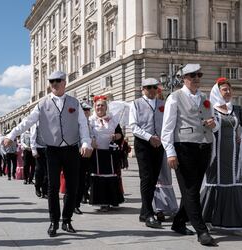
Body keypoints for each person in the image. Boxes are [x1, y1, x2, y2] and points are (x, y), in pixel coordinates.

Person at [4, 70, 92, 237]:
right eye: (51, 81)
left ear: (64, 82)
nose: (54, 84)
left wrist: (86, 142)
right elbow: (27, 122)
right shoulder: (42, 104)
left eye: (57, 81)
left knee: (72, 186)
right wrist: (11, 135)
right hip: (52, 149)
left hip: (72, 147)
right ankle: (54, 221)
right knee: (52, 187)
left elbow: (82, 124)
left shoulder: (74, 102)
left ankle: (67, 220)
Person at [161, 64, 218, 246]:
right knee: (191, 190)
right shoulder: (174, 98)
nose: (196, 78)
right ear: (184, 78)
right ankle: (201, 231)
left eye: (199, 75)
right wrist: (170, 153)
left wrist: (213, 123)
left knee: (192, 188)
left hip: (204, 147)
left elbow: (214, 123)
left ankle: (178, 222)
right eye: (192, 75)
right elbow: (167, 128)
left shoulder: (204, 97)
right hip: (184, 147)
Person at [201, 77, 242, 237]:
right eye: (224, 89)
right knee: (214, 185)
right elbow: (203, 127)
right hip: (215, 156)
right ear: (217, 92)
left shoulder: (237, 109)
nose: (229, 92)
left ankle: (236, 224)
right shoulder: (209, 108)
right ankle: (207, 220)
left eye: (229, 89)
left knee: (234, 184)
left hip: (233, 156)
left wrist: (241, 139)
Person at [129, 78, 165, 228]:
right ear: (142, 89)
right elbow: (133, 126)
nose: (151, 90)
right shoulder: (136, 104)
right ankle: (148, 213)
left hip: (159, 143)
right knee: (146, 177)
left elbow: (168, 123)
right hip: (143, 143)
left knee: (154, 178)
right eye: (148, 87)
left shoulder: (163, 104)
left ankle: (145, 212)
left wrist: (161, 139)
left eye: (154, 87)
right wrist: (149, 137)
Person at [88, 96, 124, 212]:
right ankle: (102, 202)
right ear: (95, 107)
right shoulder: (90, 121)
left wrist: (116, 136)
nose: (100, 107)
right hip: (97, 153)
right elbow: (86, 134)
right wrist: (91, 140)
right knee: (99, 176)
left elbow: (120, 135)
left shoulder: (113, 120)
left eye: (102, 105)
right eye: (98, 105)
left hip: (110, 152)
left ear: (106, 107)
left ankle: (113, 200)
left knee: (111, 175)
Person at [74, 102, 92, 214]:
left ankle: (84, 195)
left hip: (89, 154)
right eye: (84, 110)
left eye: (87, 110)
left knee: (87, 178)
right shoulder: (75, 123)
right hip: (77, 154)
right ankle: (75, 204)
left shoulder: (91, 123)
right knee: (78, 180)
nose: (86, 112)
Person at [31, 124, 48, 198]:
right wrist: (34, 150)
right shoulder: (36, 122)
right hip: (39, 148)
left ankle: (45, 190)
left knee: (48, 171)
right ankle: (37, 187)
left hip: (49, 148)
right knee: (39, 170)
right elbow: (33, 136)